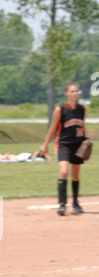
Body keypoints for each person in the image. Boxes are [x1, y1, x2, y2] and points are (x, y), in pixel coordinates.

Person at [40, 81, 90, 215]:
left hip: (77, 145)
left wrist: (86, 140)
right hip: (63, 145)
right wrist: (45, 145)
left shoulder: (82, 109)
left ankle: (75, 203)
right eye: (72, 91)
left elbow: (82, 126)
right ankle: (62, 205)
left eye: (76, 91)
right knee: (63, 172)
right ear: (66, 93)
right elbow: (52, 128)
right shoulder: (60, 109)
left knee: (75, 176)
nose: (75, 94)